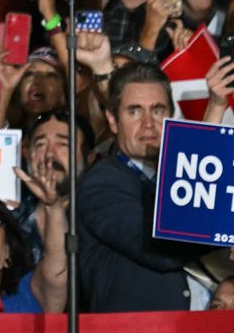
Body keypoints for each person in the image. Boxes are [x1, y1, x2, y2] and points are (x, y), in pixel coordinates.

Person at [76, 62, 206, 311]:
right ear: (113, 121)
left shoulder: (180, 177)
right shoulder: (101, 183)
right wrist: (225, 228)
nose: (148, 123)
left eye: (157, 110)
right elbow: (160, 249)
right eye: (134, 111)